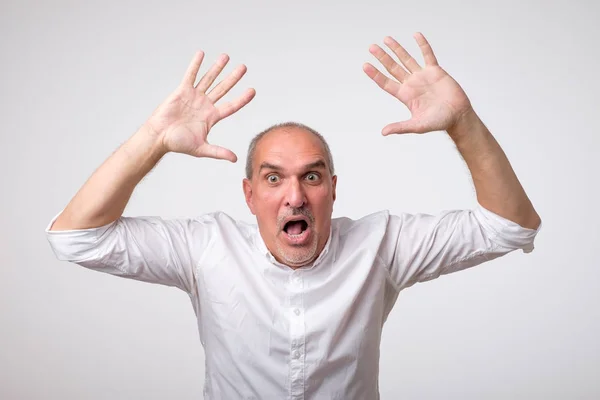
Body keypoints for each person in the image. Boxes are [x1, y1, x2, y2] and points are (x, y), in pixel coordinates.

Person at [46, 32, 541, 399]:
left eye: (312, 176)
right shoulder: (207, 249)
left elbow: (510, 226)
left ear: (332, 190)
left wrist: (462, 122)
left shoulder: (381, 245)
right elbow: (75, 238)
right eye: (274, 177)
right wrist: (153, 140)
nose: (295, 197)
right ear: (248, 194)